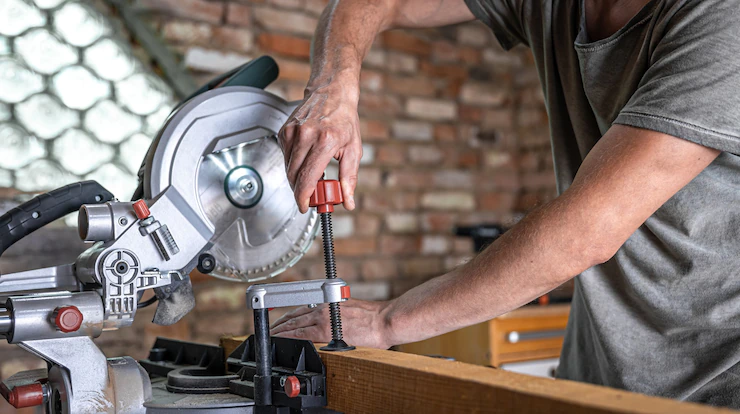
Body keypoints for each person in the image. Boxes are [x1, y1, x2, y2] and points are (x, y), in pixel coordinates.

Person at [271, 0, 740, 407]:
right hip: (595, 378)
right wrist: (333, 86)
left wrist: (387, 322)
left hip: (714, 386)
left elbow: (586, 230)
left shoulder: (721, 18)